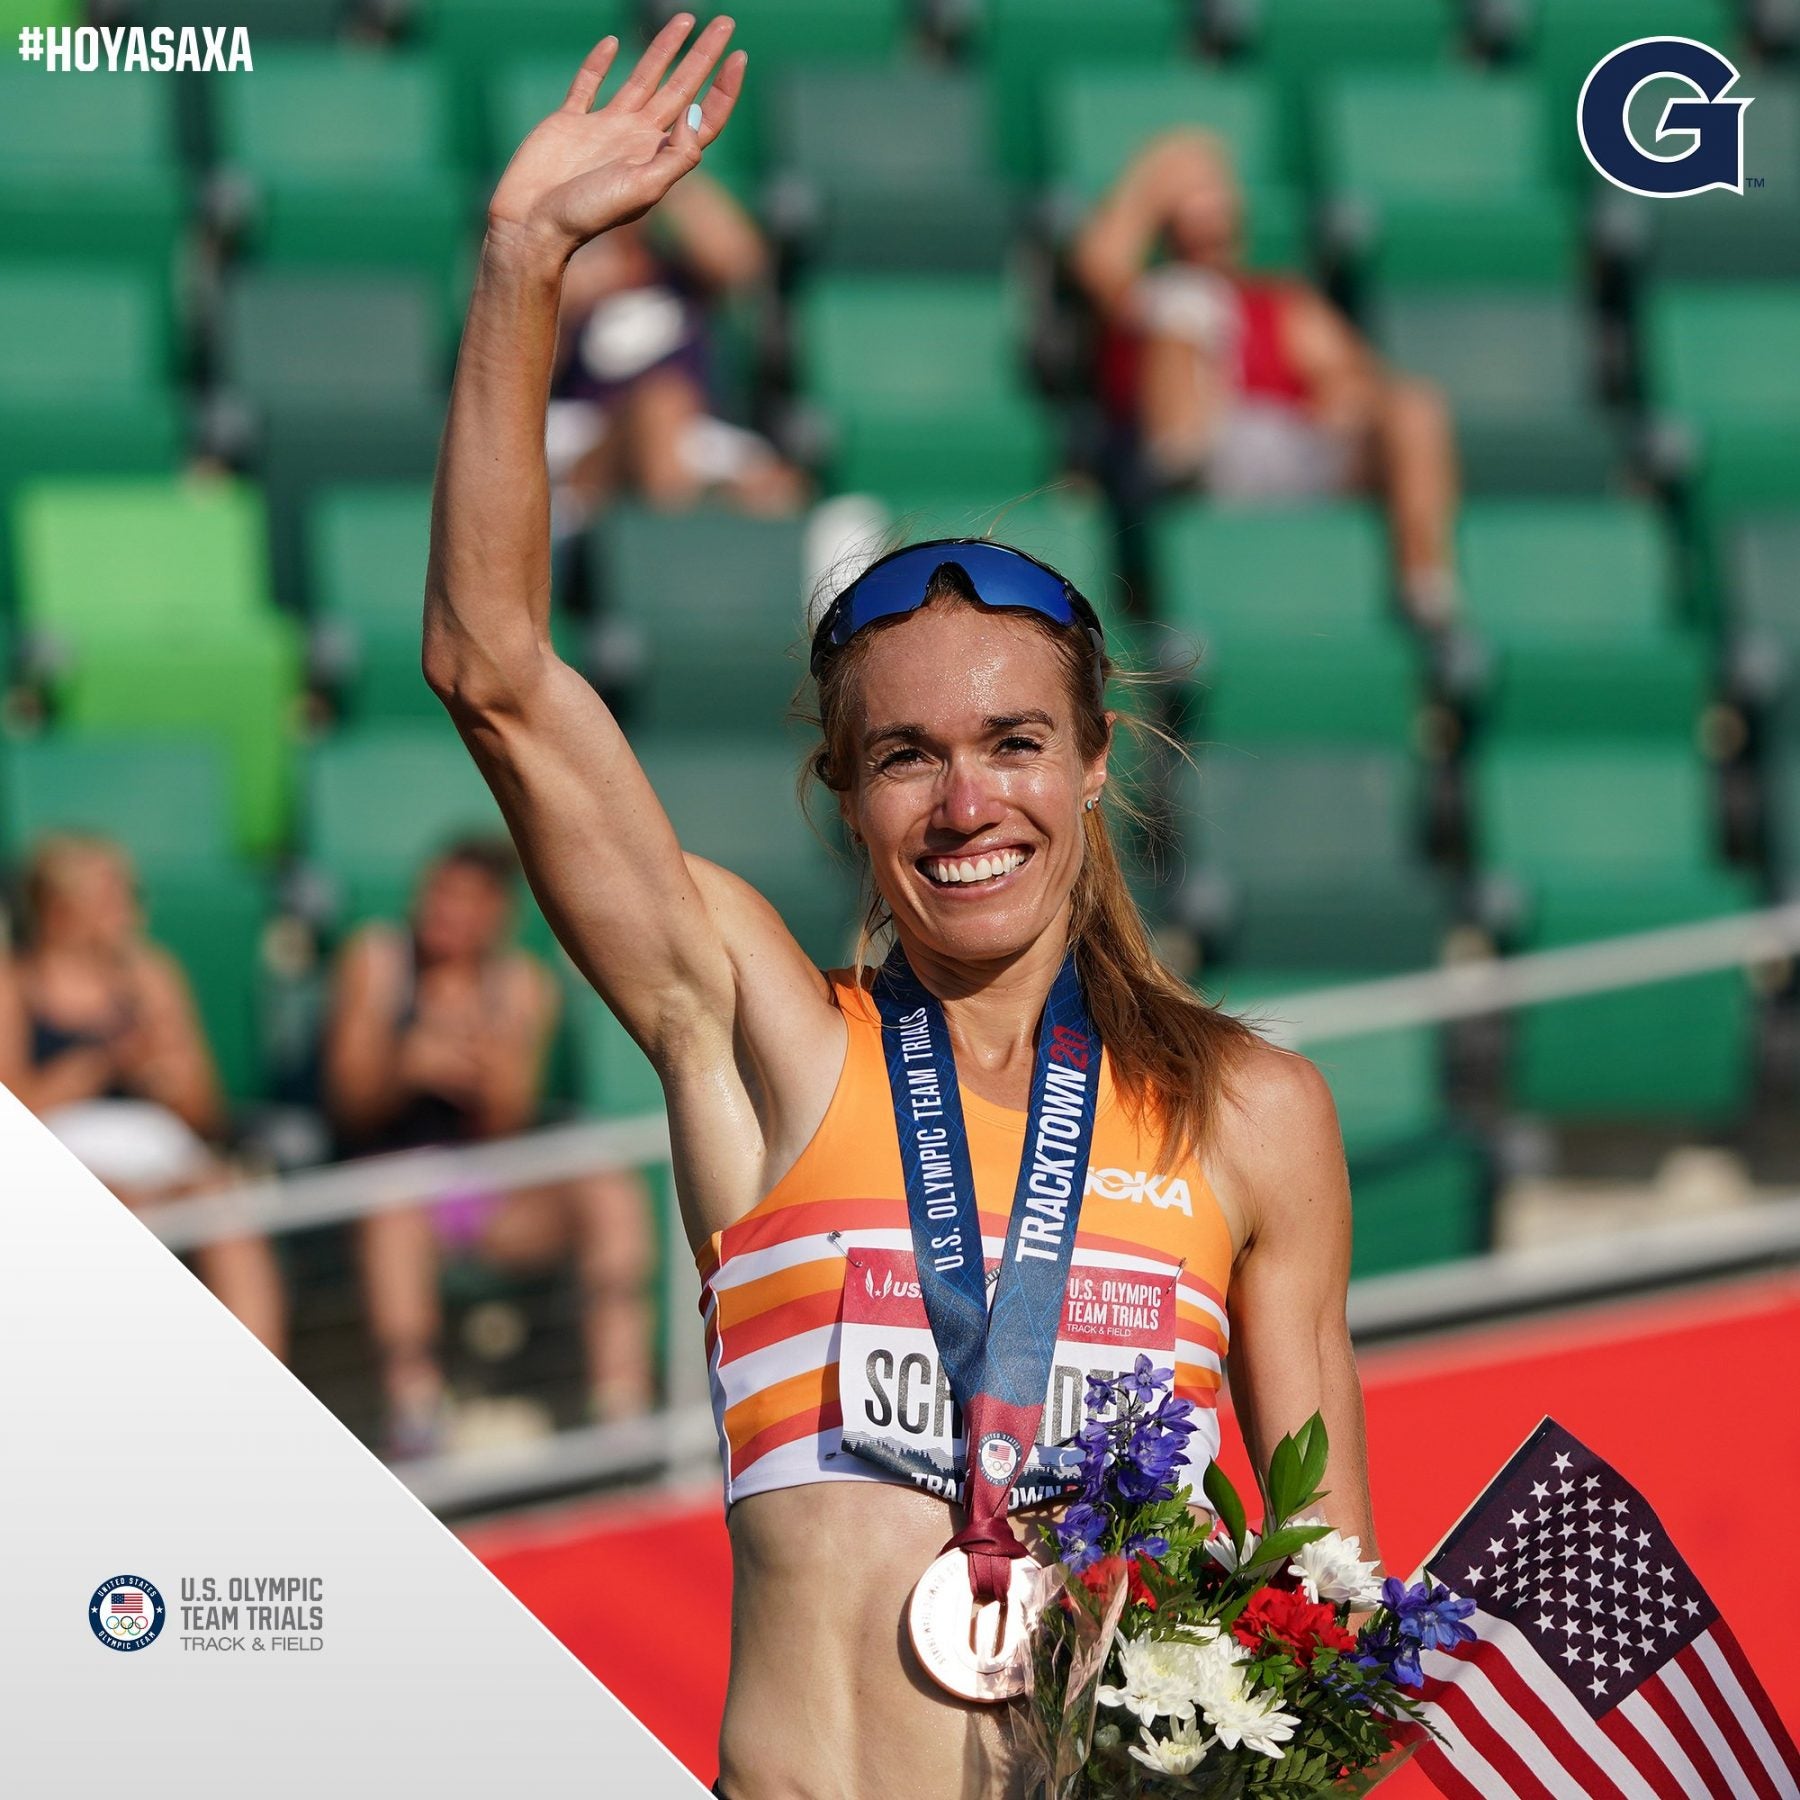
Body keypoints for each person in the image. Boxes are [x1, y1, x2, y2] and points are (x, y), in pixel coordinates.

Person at [427, 18, 1378, 1795]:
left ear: (1097, 764)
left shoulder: (1251, 1116)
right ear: (846, 798)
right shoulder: (767, 1041)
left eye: (1016, 745)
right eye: (906, 760)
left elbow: (1330, 1614)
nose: (966, 805)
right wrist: (521, 268)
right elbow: (493, 673)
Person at [322, 837, 655, 1457]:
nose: (445, 914)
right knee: (393, 1208)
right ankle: (415, 1413)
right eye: (439, 896)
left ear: (496, 916)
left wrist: (486, 1063)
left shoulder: (522, 985)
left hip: (491, 1194)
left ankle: (622, 1411)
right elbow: (348, 1108)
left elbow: (510, 1121)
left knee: (608, 1191)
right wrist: (407, 1069)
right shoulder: (376, 960)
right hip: (390, 1193)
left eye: (465, 903)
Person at [1072, 129, 1461, 625]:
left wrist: (1343, 393)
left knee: (1414, 406)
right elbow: (1098, 260)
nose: (1209, 226)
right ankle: (1184, 510)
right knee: (1183, 307)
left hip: (1285, 447)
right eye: (1192, 212)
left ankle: (1426, 587)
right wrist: (1163, 172)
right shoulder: (1146, 300)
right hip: (1181, 453)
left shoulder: (1279, 302)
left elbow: (1353, 375)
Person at [0, 833, 287, 1357]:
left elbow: (206, 1112)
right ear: (60, 909)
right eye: (113, 896)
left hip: (163, 1162)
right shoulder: (13, 986)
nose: (132, 910)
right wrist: (99, 1065)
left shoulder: (154, 977)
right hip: (67, 1164)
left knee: (222, 1204)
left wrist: (165, 1077)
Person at [546, 166, 806, 533]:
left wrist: (667, 171)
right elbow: (523, 381)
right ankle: (667, 540)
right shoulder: (563, 280)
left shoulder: (678, 276)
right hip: (586, 434)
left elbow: (743, 265)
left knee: (779, 491)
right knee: (659, 406)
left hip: (691, 433)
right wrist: (555, 298)